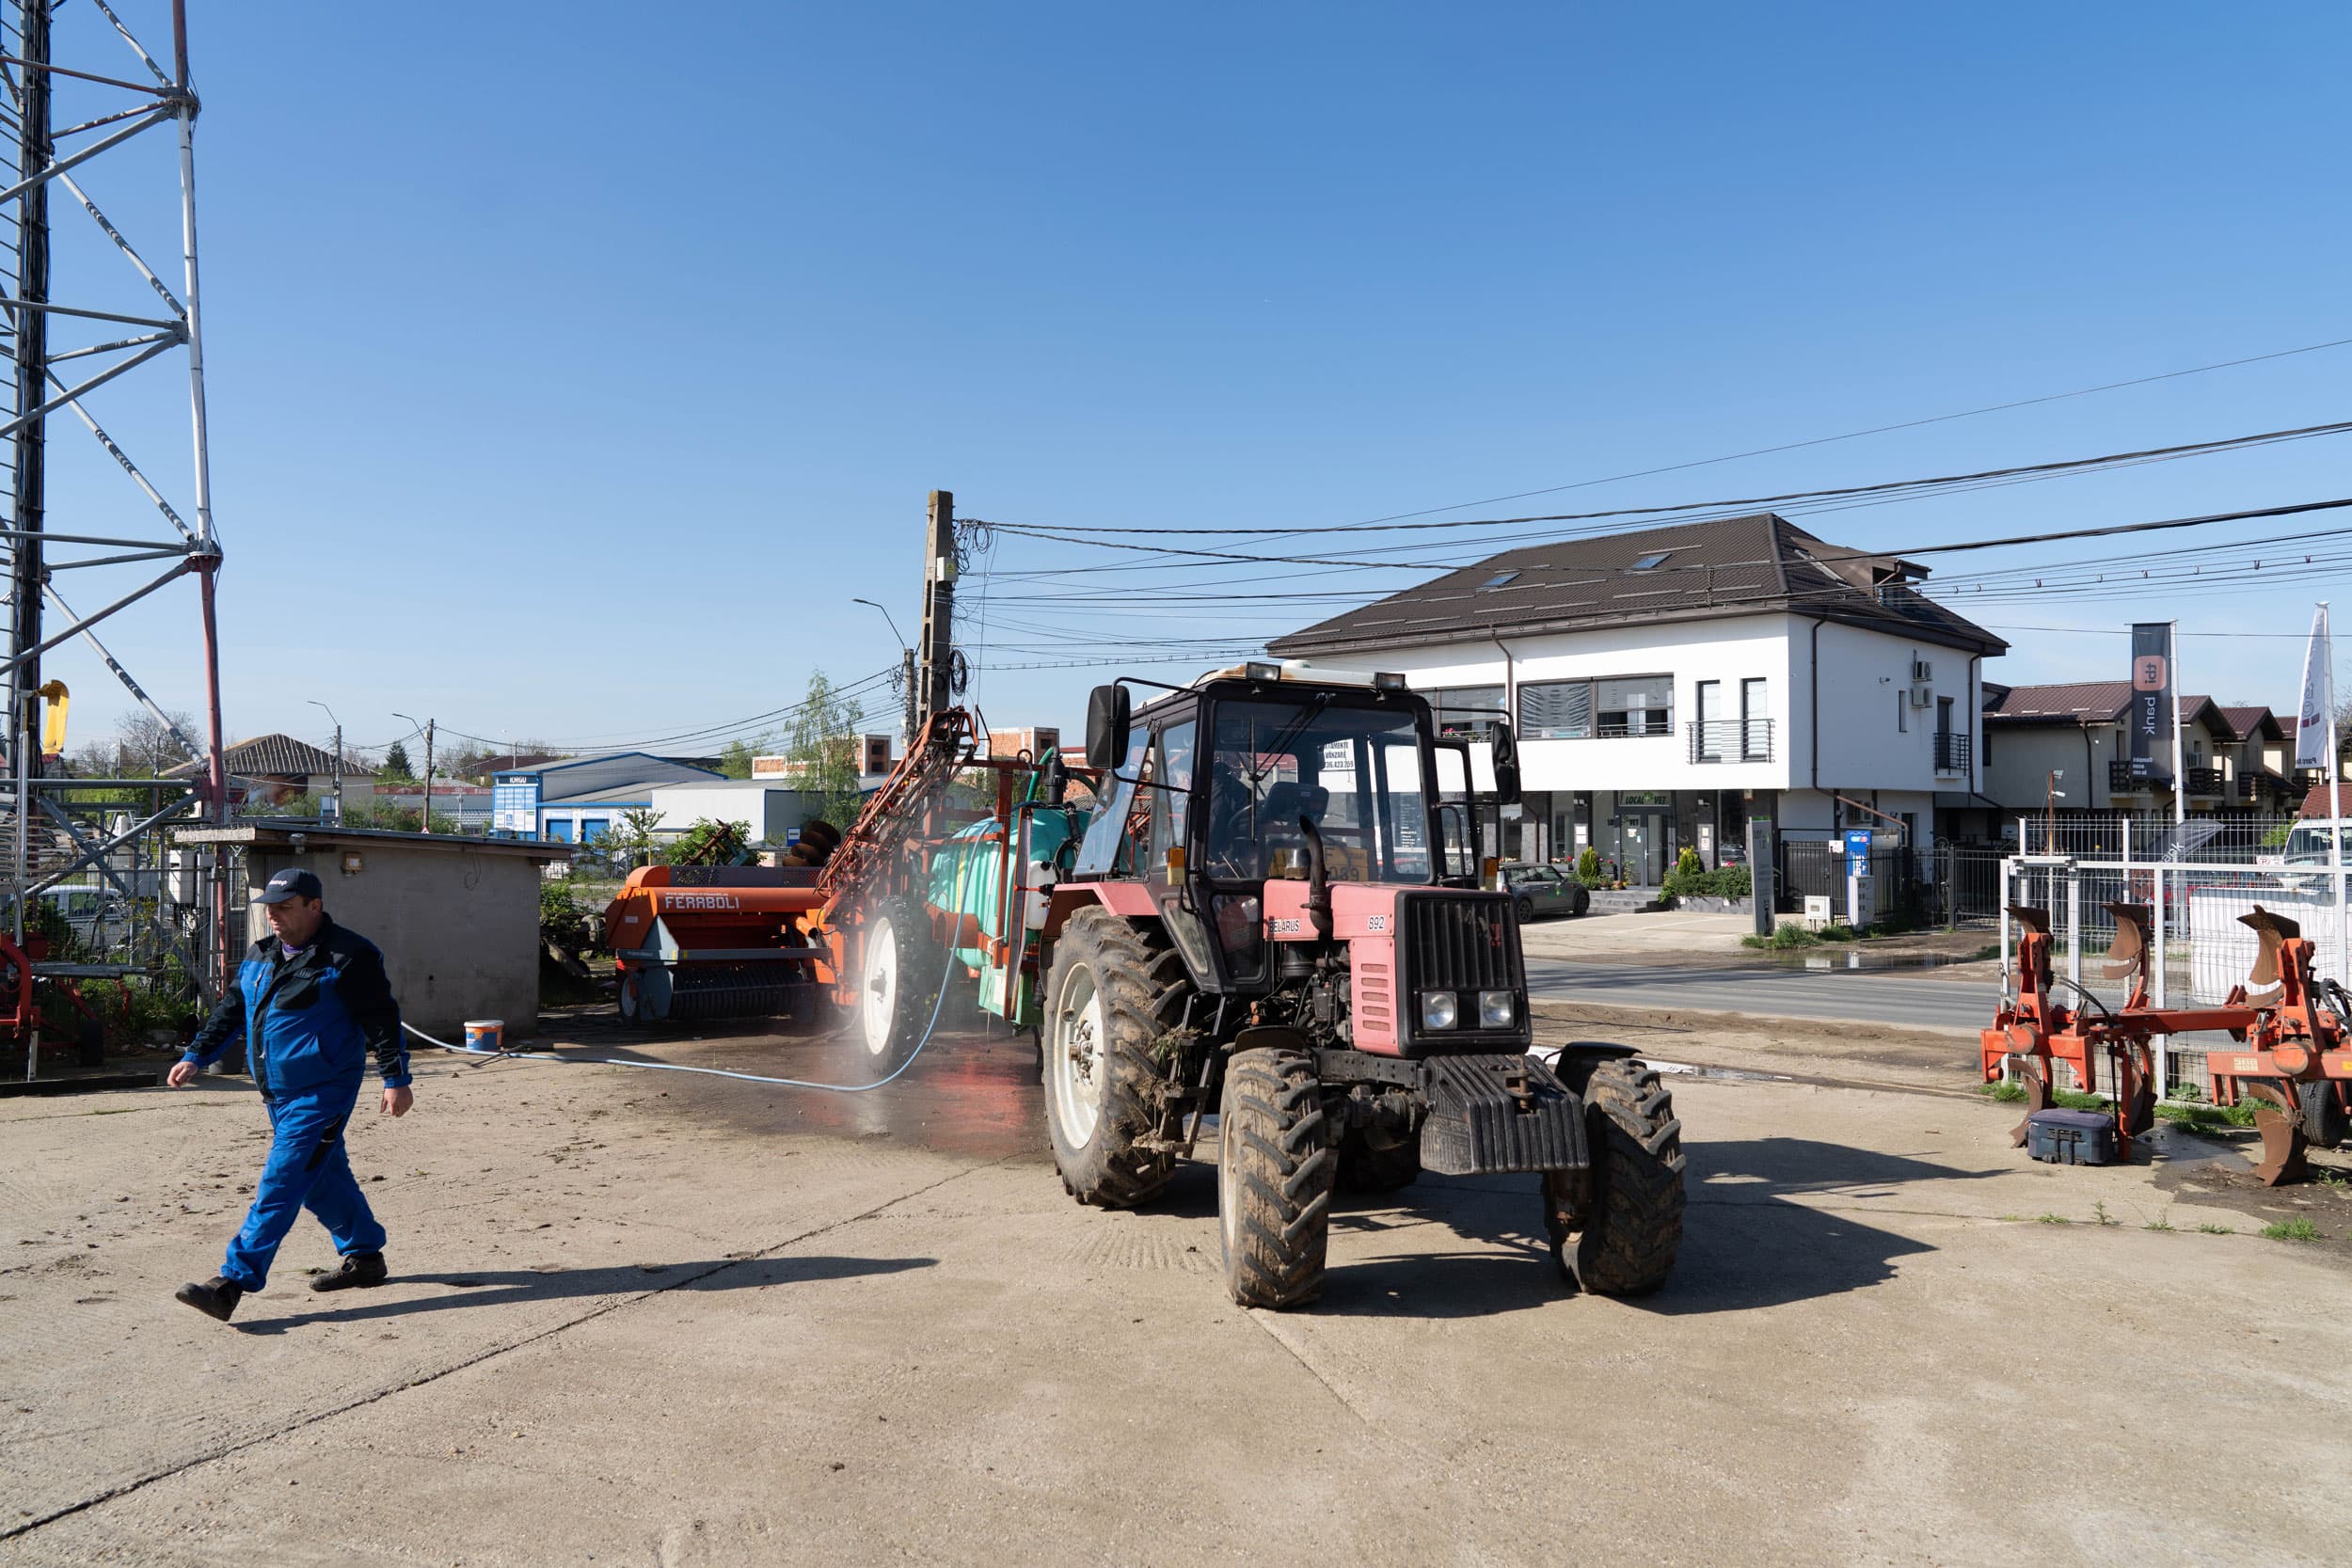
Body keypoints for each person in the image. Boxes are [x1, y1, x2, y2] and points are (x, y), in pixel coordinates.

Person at [168, 868, 412, 1323]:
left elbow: (382, 1019)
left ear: (314, 906)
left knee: (281, 1182)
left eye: (284, 907)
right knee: (321, 1179)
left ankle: (231, 1283)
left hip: (323, 1092)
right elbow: (231, 1012)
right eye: (270, 909)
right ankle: (365, 1256)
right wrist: (197, 1055)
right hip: (277, 1092)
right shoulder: (261, 955)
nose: (274, 917)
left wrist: (395, 1078)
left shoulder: (349, 956)